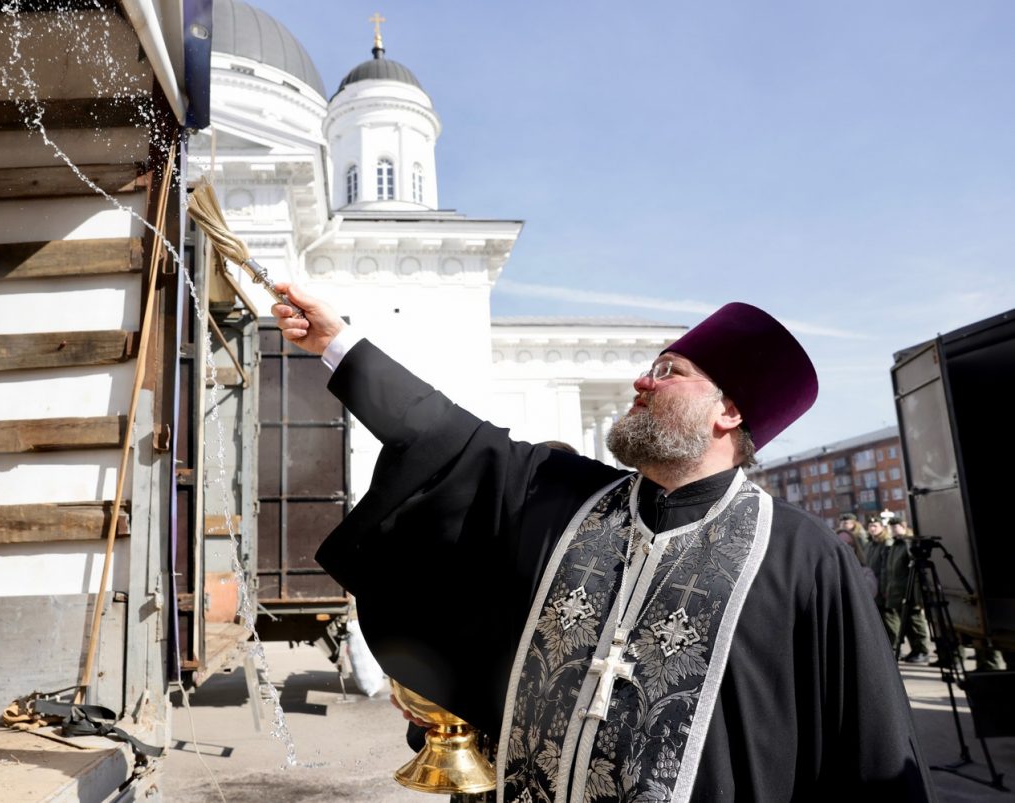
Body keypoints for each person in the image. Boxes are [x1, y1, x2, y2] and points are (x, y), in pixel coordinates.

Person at [273, 284, 932, 801]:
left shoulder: (801, 555)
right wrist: (339, 343)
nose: (641, 381)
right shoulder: (568, 498)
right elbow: (448, 436)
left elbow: (869, 748)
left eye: (668, 371)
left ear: (727, 412)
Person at [889, 517, 932, 664]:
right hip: (898, 591)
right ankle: (915, 650)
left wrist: (916, 596)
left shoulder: (909, 544)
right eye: (892, 528)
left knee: (915, 624)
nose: (893, 530)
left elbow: (916, 572)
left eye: (896, 527)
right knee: (906, 625)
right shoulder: (895, 545)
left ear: (903, 526)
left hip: (909, 592)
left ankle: (922, 651)